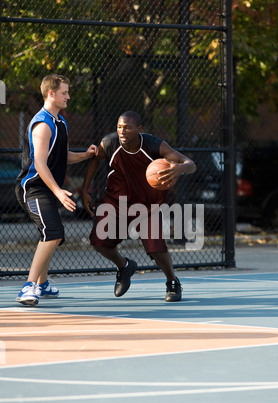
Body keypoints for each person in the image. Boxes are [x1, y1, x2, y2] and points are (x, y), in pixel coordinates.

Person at [81, 111, 196, 302]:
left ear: (139, 129)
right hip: (117, 202)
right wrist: (85, 190)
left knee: (156, 248)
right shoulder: (110, 143)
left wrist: (179, 168)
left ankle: (172, 282)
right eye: (119, 127)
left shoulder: (153, 144)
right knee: (99, 243)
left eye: (127, 127)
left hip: (148, 205)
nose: (122, 131)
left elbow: (190, 163)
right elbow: (95, 159)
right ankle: (125, 266)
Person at [15, 74, 98, 306]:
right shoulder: (42, 124)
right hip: (32, 189)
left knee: (52, 235)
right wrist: (59, 191)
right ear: (51, 94)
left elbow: (63, 157)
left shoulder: (60, 122)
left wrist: (85, 155)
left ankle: (41, 284)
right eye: (64, 92)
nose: (68, 96)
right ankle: (28, 287)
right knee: (53, 233)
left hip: (47, 189)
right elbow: (40, 163)